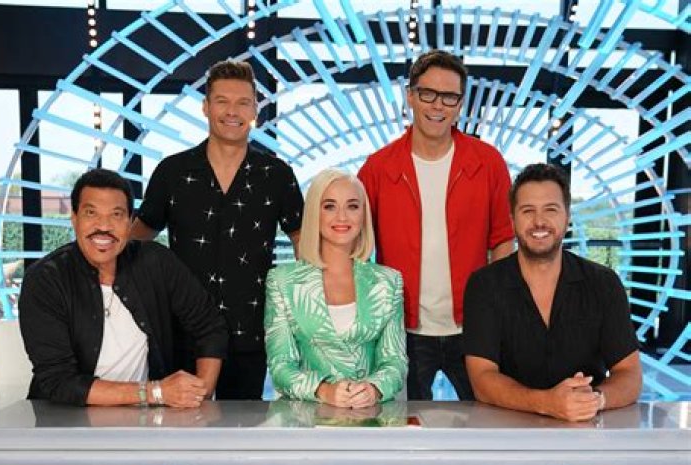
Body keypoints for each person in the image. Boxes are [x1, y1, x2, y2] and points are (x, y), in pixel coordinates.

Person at [131, 60, 304, 399]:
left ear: (255, 110)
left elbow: (303, 240)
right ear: (206, 106)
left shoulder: (277, 174)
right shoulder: (172, 172)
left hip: (251, 331)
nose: (232, 112)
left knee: (243, 427)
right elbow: (139, 236)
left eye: (243, 102)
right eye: (222, 101)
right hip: (182, 329)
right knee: (179, 423)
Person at [358, 50, 514, 401]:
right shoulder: (378, 168)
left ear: (460, 105)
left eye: (449, 97)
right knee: (407, 425)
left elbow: (503, 240)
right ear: (410, 96)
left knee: (489, 417)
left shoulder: (488, 163)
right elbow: (358, 245)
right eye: (427, 93)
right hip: (403, 329)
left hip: (474, 326)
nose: (437, 106)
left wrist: (497, 310)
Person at [18, 169, 227, 407]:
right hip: (66, 420)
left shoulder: (156, 262)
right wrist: (156, 392)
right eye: (91, 213)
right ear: (74, 219)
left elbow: (209, 325)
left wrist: (200, 396)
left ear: (129, 222)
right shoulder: (45, 280)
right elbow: (59, 381)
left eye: (116, 215)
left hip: (150, 420)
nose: (103, 226)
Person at [463, 163, 642, 421]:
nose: (539, 221)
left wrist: (593, 400)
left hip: (585, 429)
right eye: (528, 211)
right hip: (506, 431)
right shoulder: (484, 285)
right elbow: (482, 378)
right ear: (512, 220)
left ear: (567, 217)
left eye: (550, 210)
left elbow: (630, 373)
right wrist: (547, 403)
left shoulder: (604, 283)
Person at [264, 168, 407, 408]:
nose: (342, 217)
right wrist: (324, 391)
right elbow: (281, 366)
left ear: (364, 215)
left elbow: (395, 362)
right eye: (329, 206)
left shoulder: (388, 281)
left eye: (352, 206)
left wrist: (374, 389)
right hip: (304, 418)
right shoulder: (282, 281)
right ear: (314, 213)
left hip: (368, 416)